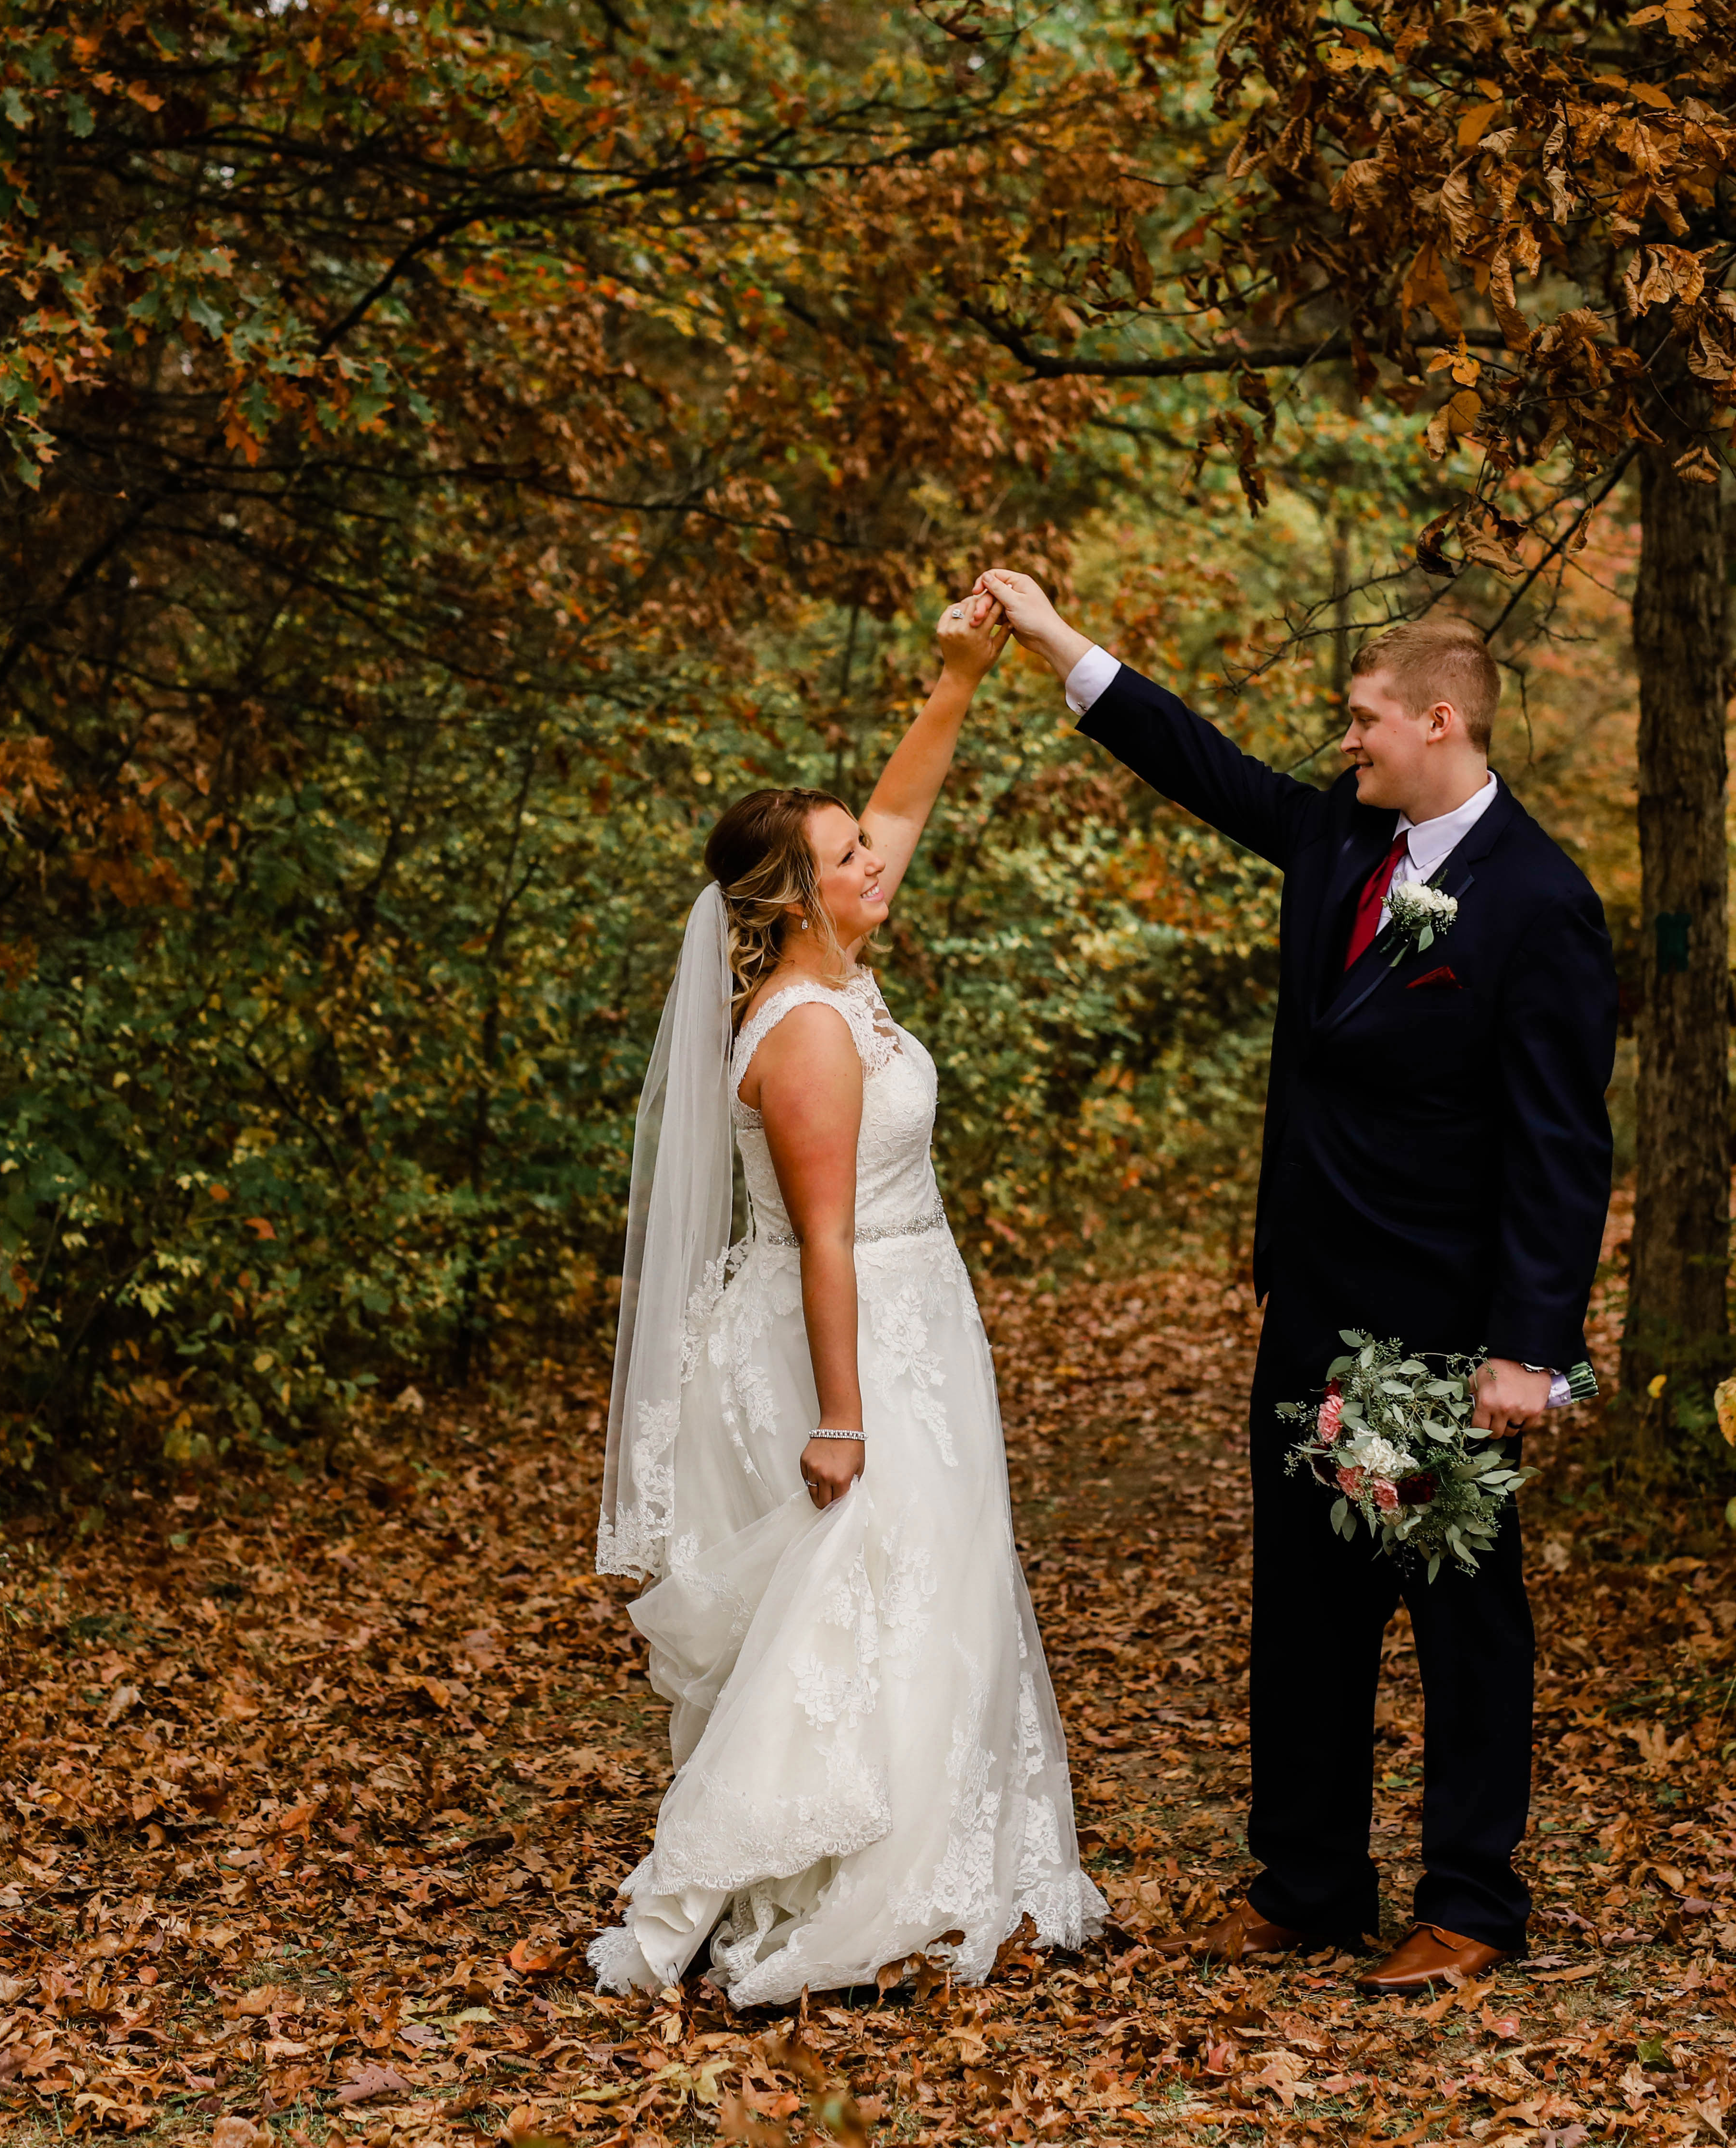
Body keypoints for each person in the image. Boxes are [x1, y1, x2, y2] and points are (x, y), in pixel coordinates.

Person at [974, 571, 1615, 1995]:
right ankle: (1311, 1881)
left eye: (1366, 717)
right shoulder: (1340, 836)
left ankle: (1472, 1901)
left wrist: (1529, 1350)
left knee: (1459, 1612)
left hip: (1441, 1329)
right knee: (1306, 1608)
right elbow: (1201, 765)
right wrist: (1057, 641)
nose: (1347, 739)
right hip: (1314, 1303)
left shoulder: (1542, 902)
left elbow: (1565, 1150)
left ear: (1439, 721)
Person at [588, 591, 1108, 2006]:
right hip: (853, 1338)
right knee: (861, 1592)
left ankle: (927, 1848)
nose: (876, 861)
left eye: (863, 847)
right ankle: (804, 1875)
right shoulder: (810, 1032)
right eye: (844, 858)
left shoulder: (835, 967)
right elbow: (824, 1239)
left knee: (928, 1584)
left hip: (911, 1312)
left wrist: (959, 676)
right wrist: (843, 1419)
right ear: (788, 901)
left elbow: (901, 808)